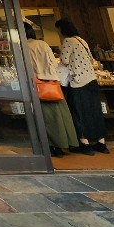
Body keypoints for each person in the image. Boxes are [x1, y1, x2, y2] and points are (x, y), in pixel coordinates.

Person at [24, 22, 79, 157]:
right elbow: (54, 63)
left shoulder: (24, 47)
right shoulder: (43, 44)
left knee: (45, 118)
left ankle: (49, 146)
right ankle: (63, 144)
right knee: (60, 117)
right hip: (52, 83)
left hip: (37, 84)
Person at [56, 18, 109, 154]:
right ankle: (101, 142)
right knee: (94, 111)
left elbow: (64, 60)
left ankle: (84, 143)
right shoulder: (81, 40)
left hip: (78, 81)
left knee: (78, 111)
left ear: (61, 29)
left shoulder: (68, 41)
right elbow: (91, 59)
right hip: (91, 80)